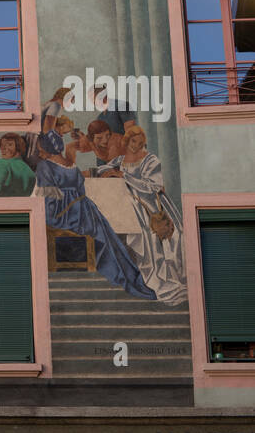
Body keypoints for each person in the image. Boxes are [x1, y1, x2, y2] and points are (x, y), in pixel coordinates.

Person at [35, 116, 154, 299]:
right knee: (109, 239)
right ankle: (130, 278)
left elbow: (48, 199)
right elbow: (80, 187)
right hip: (86, 210)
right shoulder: (71, 165)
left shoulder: (45, 166)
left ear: (44, 147)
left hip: (63, 213)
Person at [95, 126, 187, 304]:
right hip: (132, 204)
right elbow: (104, 168)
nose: (135, 145)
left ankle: (158, 276)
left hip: (152, 204)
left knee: (151, 234)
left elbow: (153, 186)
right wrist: (108, 172)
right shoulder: (121, 159)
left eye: (139, 142)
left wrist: (125, 177)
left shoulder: (150, 160)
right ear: (127, 142)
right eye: (132, 141)